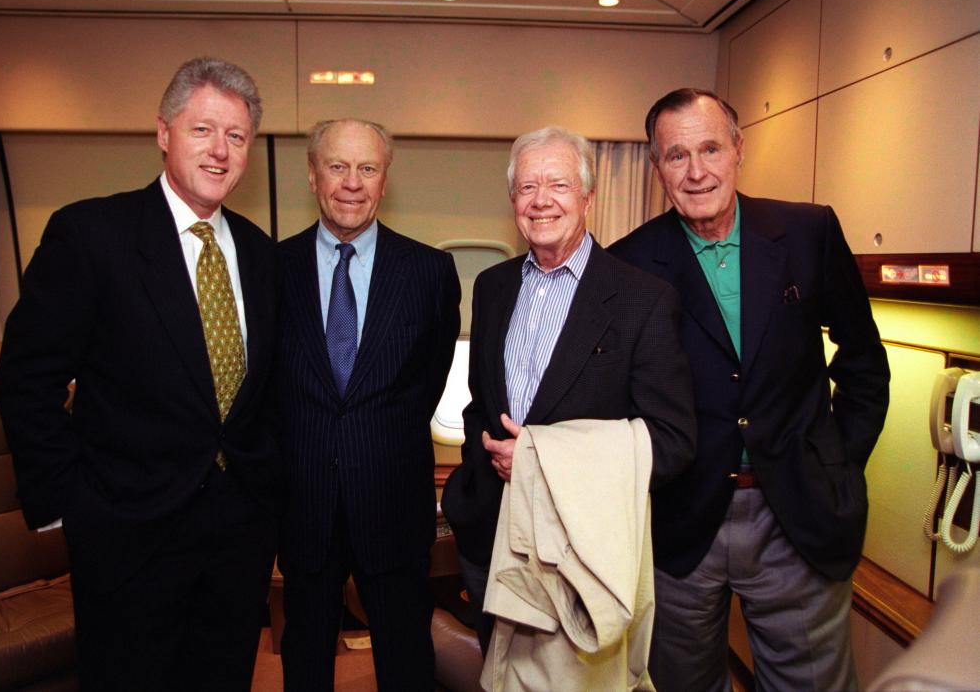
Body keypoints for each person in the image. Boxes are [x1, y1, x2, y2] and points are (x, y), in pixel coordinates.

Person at [0, 57, 280, 691]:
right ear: (163, 132)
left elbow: (267, 396)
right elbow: (24, 380)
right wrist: (71, 506)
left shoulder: (261, 254)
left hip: (237, 542)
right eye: (204, 129)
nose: (220, 150)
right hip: (128, 539)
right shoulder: (93, 234)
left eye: (237, 137)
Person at [609, 88, 891, 691]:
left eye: (711, 148)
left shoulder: (808, 232)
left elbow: (864, 360)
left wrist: (837, 463)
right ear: (657, 168)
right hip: (679, 525)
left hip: (797, 513)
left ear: (739, 149)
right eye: (676, 155)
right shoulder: (628, 264)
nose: (697, 170)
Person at [441, 125, 697, 656]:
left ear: (588, 196)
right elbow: (480, 405)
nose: (541, 202)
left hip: (582, 548)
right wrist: (472, 478)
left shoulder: (641, 300)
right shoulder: (493, 287)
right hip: (491, 531)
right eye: (527, 187)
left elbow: (671, 442)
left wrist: (542, 462)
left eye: (557, 185)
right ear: (512, 199)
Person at [273, 118, 460, 690]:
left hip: (393, 503)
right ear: (311, 175)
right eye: (337, 166)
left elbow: (427, 380)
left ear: (384, 180)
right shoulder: (270, 270)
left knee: (406, 662)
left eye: (367, 168)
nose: (352, 182)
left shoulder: (429, 271)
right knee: (305, 660)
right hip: (304, 506)